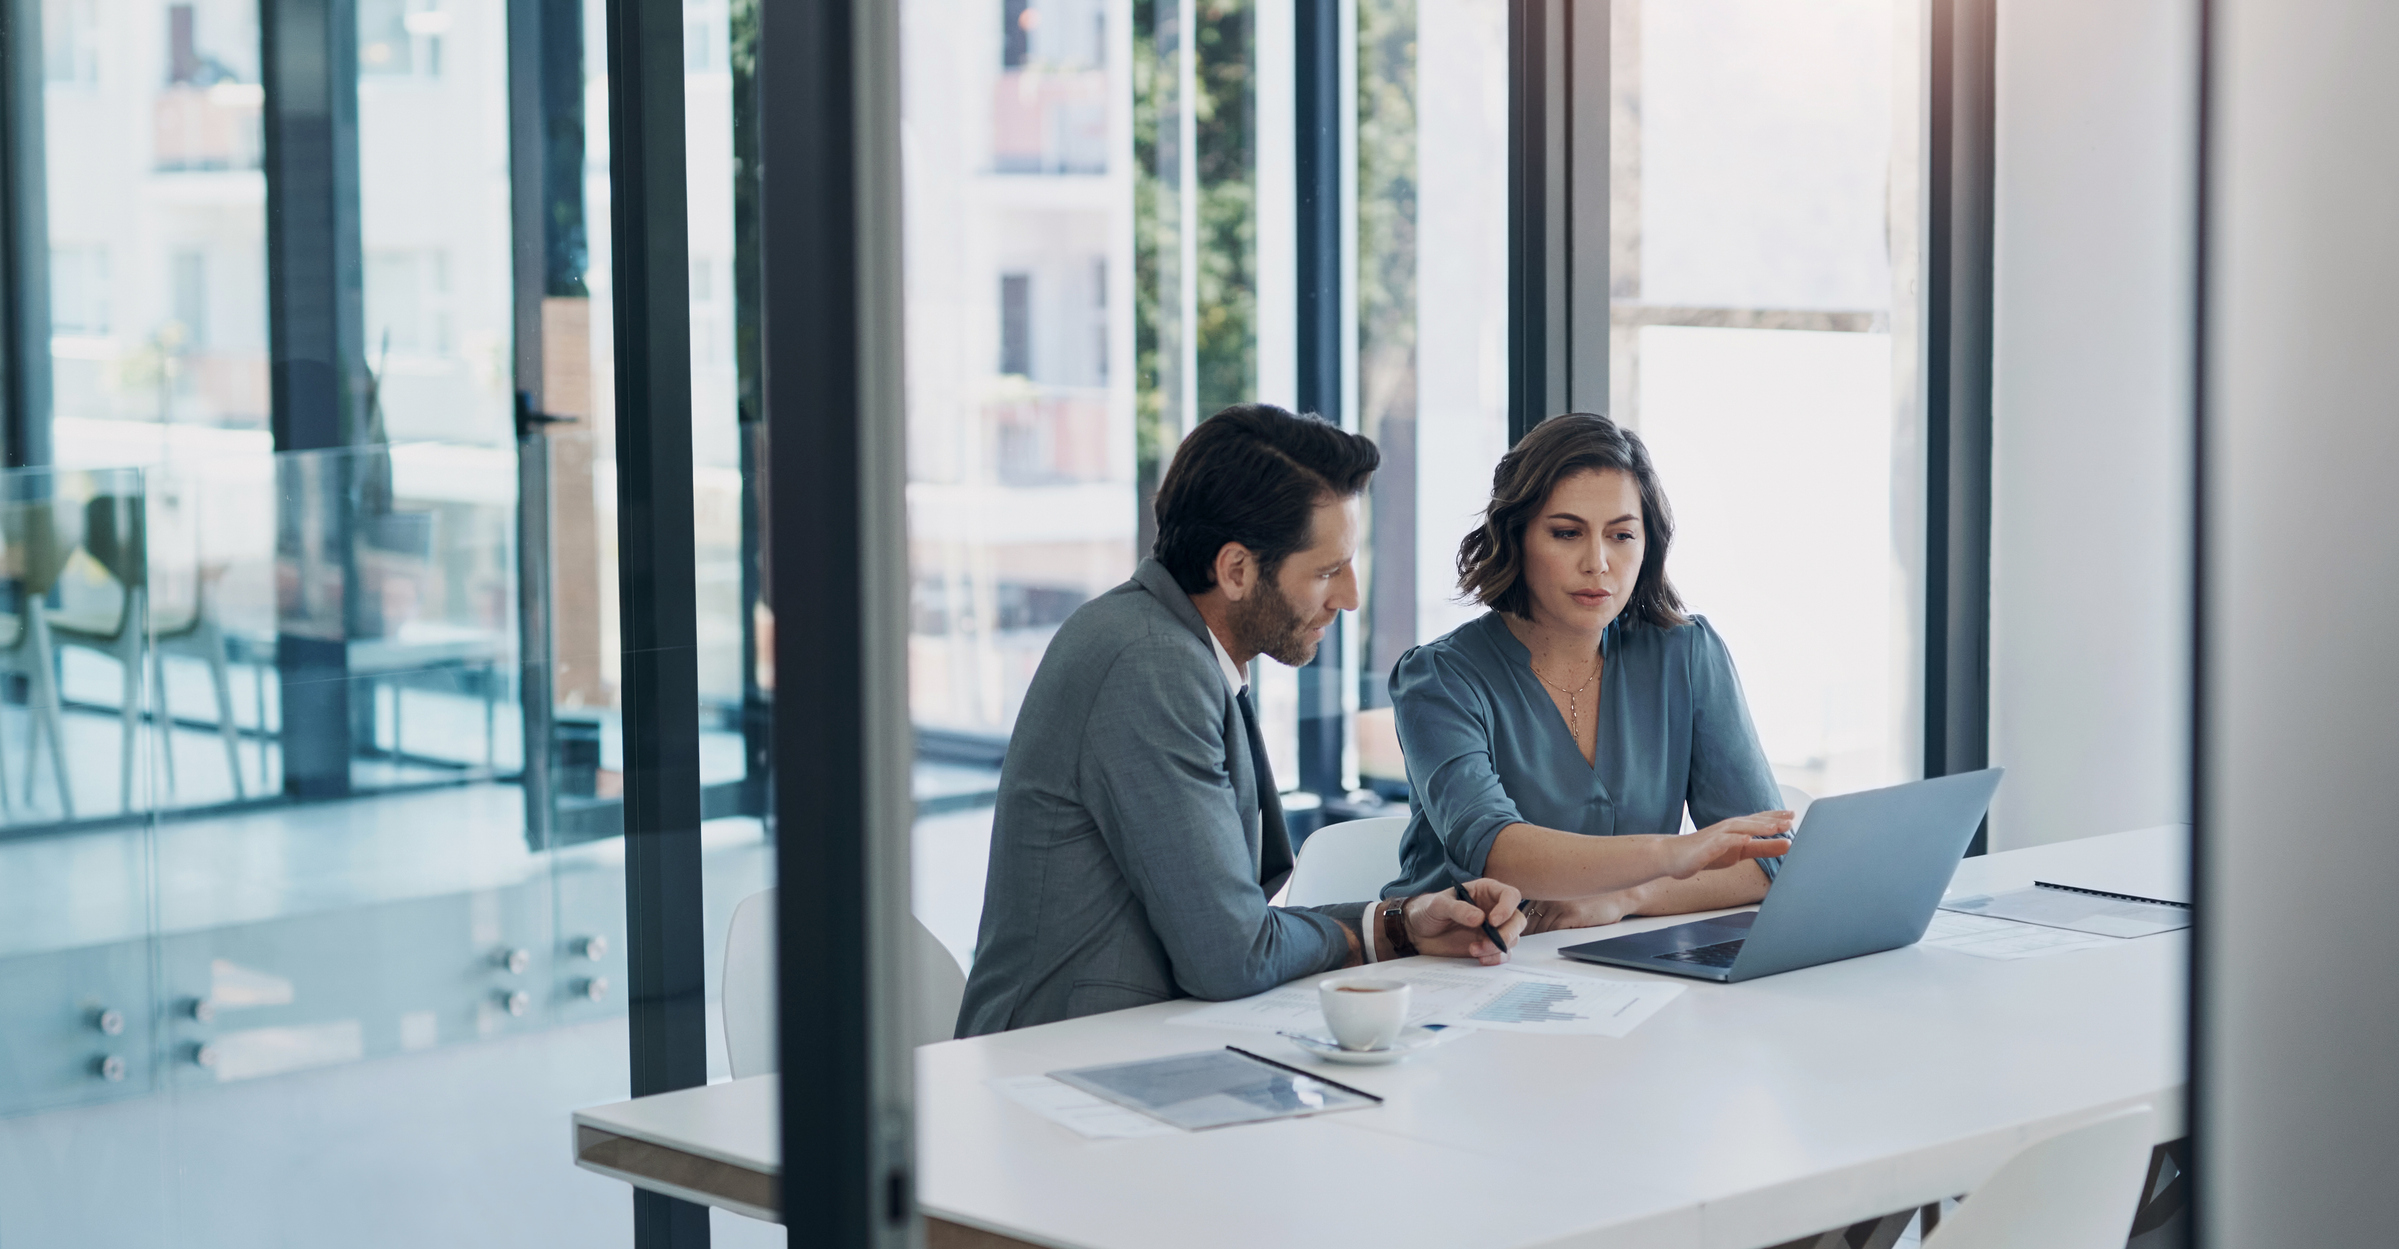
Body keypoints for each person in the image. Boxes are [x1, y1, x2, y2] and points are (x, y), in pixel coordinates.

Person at [956, 404, 1527, 1037]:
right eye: (1328, 571)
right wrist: (1377, 933)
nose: (1350, 597)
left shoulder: (1170, 644)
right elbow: (1231, 955)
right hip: (1061, 1065)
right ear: (1236, 570)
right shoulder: (1150, 665)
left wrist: (1398, 923)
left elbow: (1232, 929)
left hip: (1138, 1044)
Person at [1384, 412, 1792, 931]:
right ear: (1517, 537)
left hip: (1616, 967)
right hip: (1455, 965)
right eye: (1566, 533)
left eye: (1621, 535)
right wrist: (1674, 854)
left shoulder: (1686, 654)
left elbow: (1768, 858)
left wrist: (1628, 897)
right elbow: (1493, 849)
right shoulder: (1439, 678)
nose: (1597, 562)